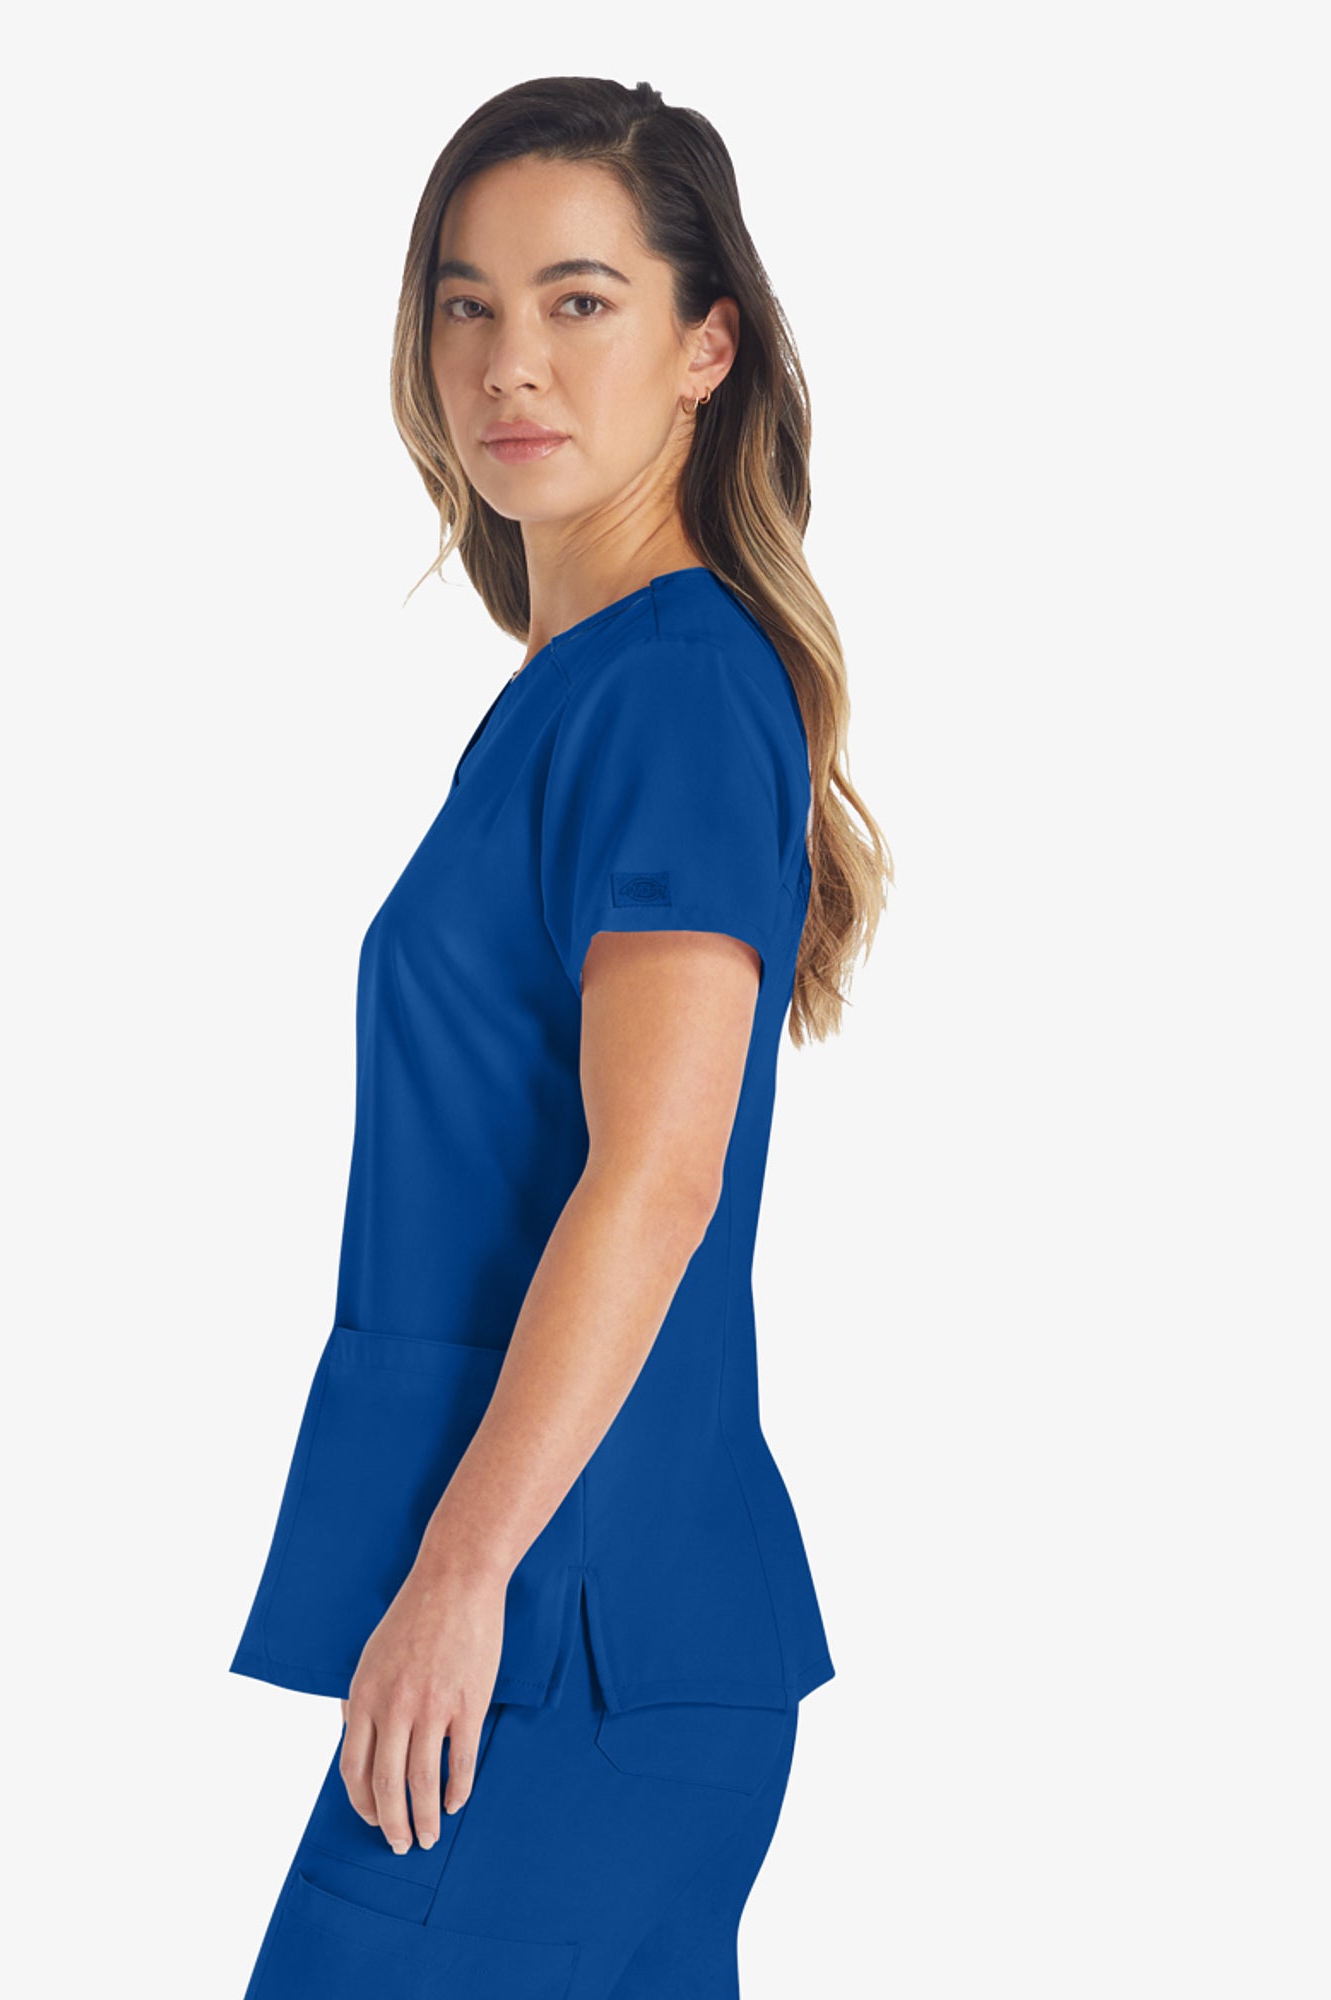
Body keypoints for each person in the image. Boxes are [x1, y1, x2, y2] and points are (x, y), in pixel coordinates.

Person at [230, 75, 892, 1997]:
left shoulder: (668, 689)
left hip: (564, 1641)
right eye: (468, 304)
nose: (508, 361)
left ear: (707, 347)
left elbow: (655, 1178)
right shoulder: (595, 687)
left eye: (580, 301)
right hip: (597, 1645)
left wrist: (462, 1579)